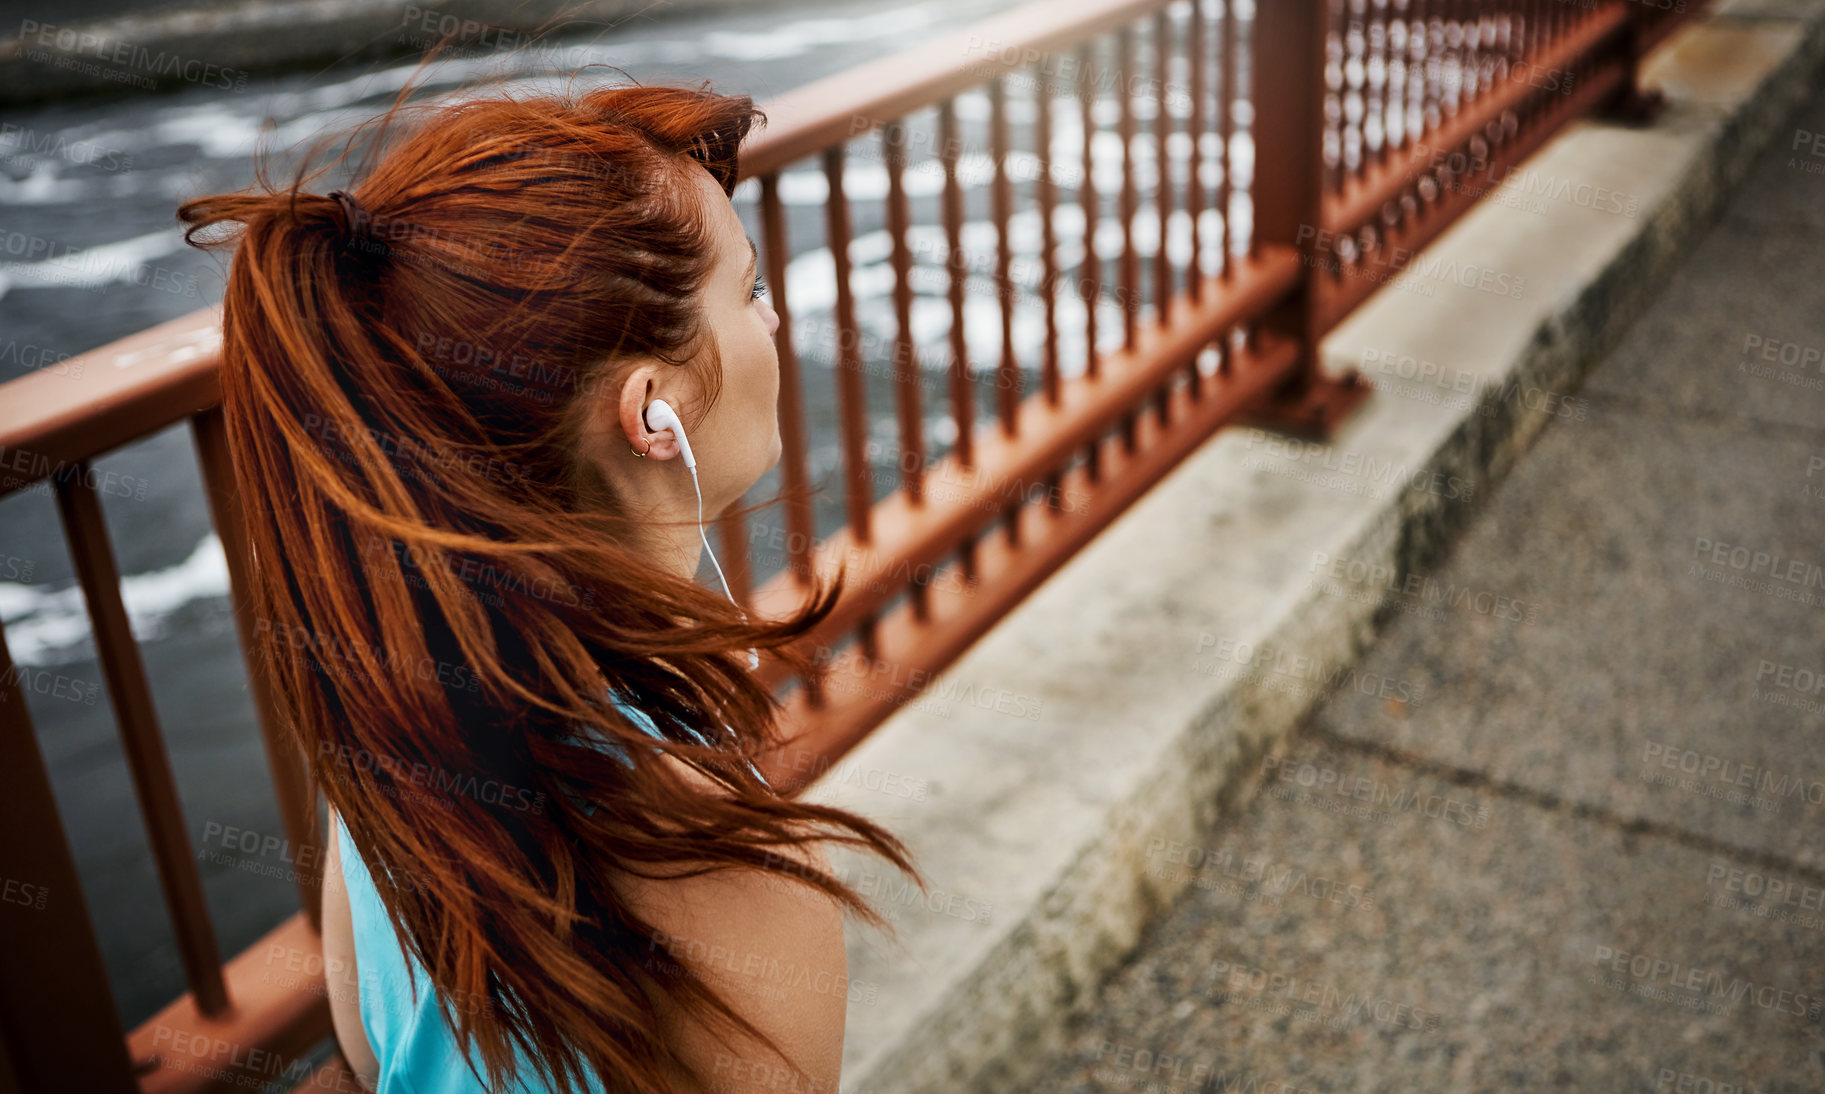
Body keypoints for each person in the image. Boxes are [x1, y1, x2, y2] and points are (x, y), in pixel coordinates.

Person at [177, 79, 921, 1094]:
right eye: (746, 290)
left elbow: (364, 1058)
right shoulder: (715, 863)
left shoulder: (393, 748)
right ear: (653, 411)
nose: (775, 319)